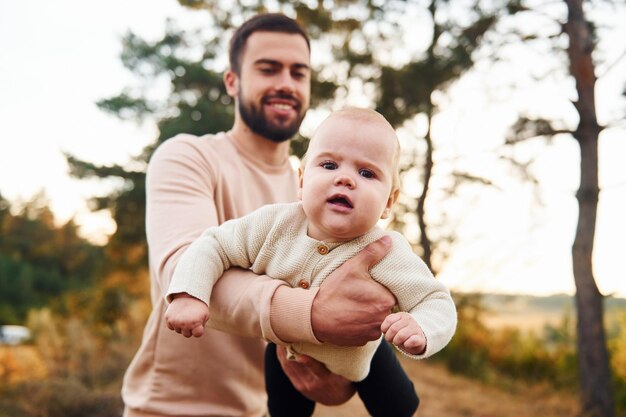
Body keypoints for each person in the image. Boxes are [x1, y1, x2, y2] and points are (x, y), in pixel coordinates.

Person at [122, 13, 404, 417]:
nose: (286, 84)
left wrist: (338, 378)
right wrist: (313, 314)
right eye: (268, 69)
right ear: (233, 81)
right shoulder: (188, 157)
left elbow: (329, 338)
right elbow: (182, 271)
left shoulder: (323, 195)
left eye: (298, 72)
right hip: (168, 409)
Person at [165, 107, 457, 417]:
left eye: (367, 173)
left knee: (400, 407)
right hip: (287, 352)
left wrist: (422, 327)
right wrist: (189, 293)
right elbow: (214, 245)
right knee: (284, 410)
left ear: (388, 202)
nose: (345, 179)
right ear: (302, 180)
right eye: (329, 165)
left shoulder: (386, 251)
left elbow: (435, 299)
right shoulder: (272, 225)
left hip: (364, 353)